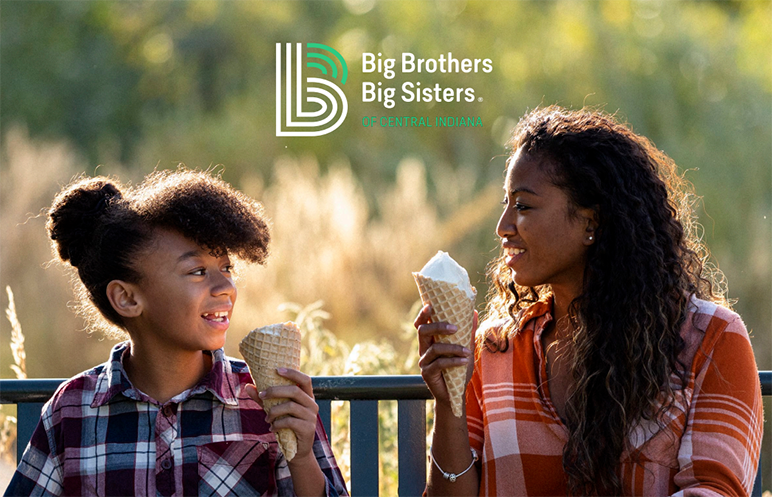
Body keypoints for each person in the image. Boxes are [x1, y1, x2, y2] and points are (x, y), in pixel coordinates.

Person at [416, 106, 763, 497]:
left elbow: (715, 490)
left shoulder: (712, 340)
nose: (503, 227)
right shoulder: (496, 348)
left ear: (591, 222)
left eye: (524, 206)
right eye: (505, 204)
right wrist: (449, 404)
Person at [5, 169, 348, 497]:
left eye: (227, 267)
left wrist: (301, 457)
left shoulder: (268, 402)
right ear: (127, 298)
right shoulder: (71, 410)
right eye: (198, 271)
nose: (226, 286)